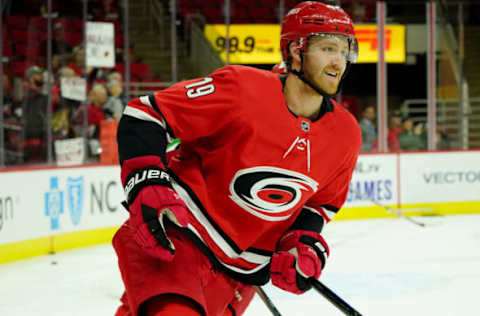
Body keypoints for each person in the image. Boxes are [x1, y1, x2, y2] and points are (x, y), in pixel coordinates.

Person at [113, 2, 361, 316]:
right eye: (328, 48)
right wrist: (146, 181)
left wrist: (302, 243)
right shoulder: (243, 89)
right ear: (296, 50)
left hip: (239, 277)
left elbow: (318, 205)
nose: (339, 62)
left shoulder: (346, 133)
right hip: (177, 237)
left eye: (345, 51)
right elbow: (145, 114)